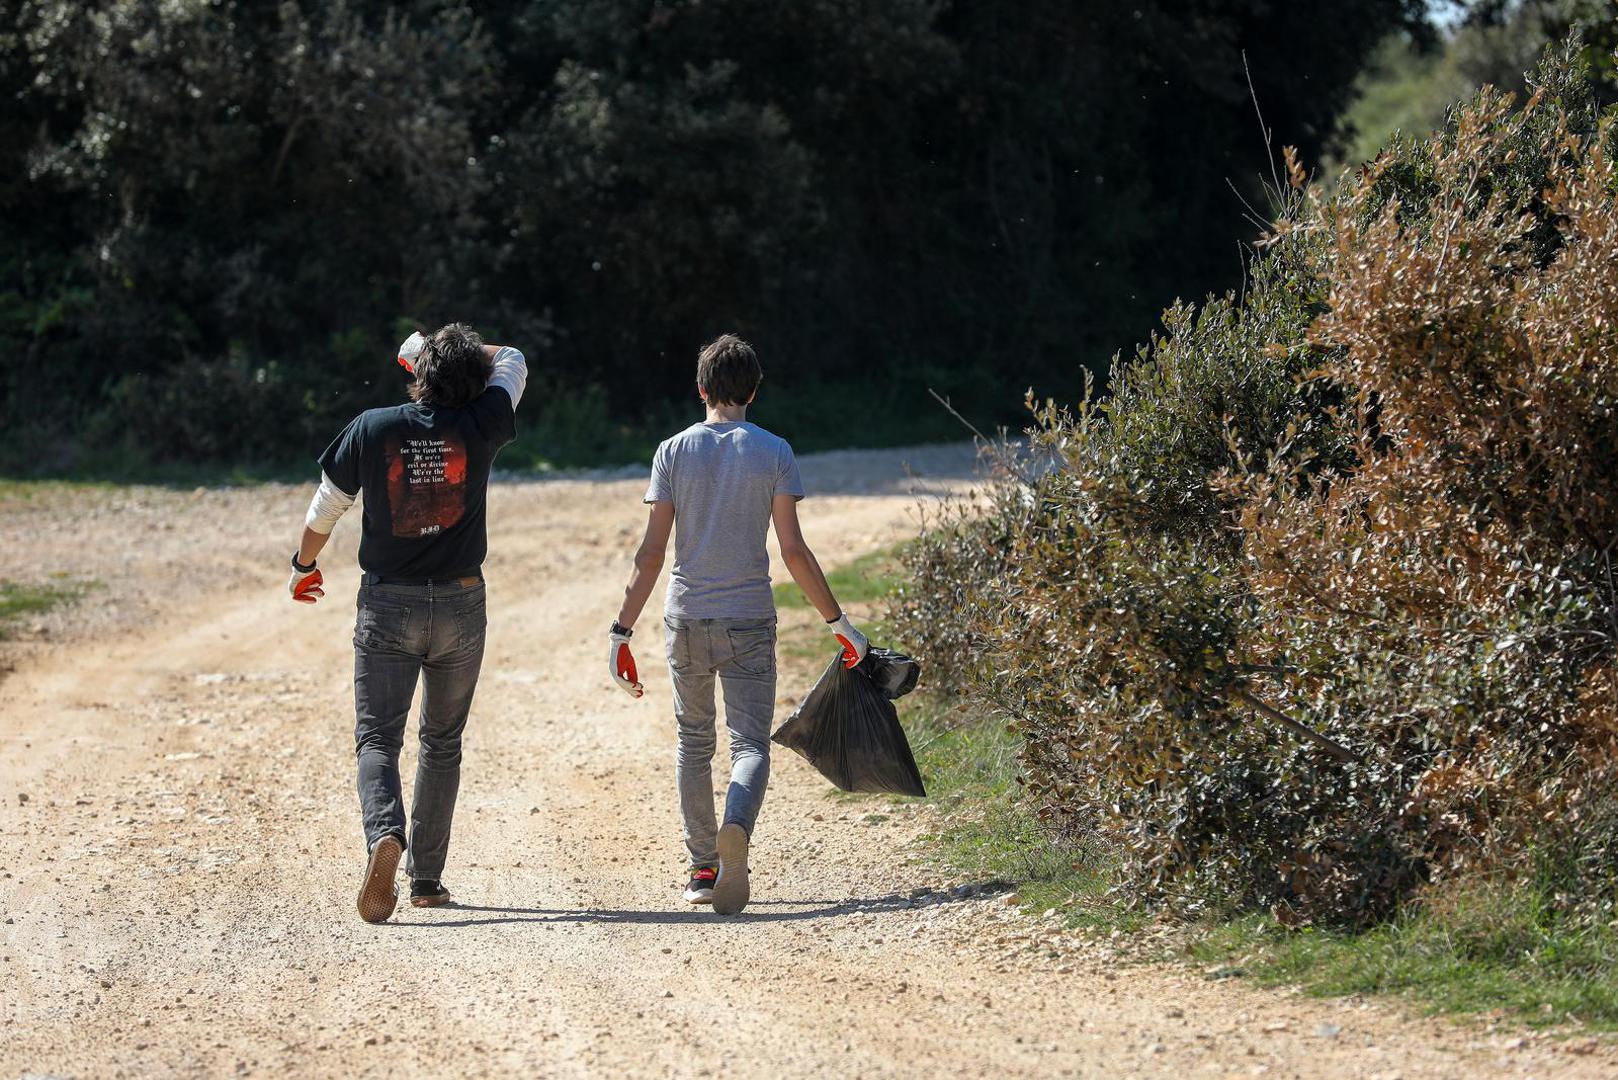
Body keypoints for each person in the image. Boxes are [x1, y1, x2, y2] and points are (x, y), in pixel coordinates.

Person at [609, 333, 869, 915]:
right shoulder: (774, 451)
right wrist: (839, 621)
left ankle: (704, 867)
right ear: (754, 389)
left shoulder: (672, 451)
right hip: (750, 616)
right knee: (750, 743)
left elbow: (651, 553)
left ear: (701, 388)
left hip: (687, 618)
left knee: (693, 743)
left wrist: (621, 632)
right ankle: (737, 830)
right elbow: (794, 551)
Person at [287, 324, 527, 923]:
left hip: (387, 605)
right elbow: (514, 358)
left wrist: (303, 565)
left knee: (377, 739)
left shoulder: (374, 427)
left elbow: (327, 506)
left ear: (417, 376)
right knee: (441, 743)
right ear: (472, 379)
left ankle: (384, 837)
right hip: (461, 605)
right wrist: (449, 355)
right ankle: (425, 881)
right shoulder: (483, 423)